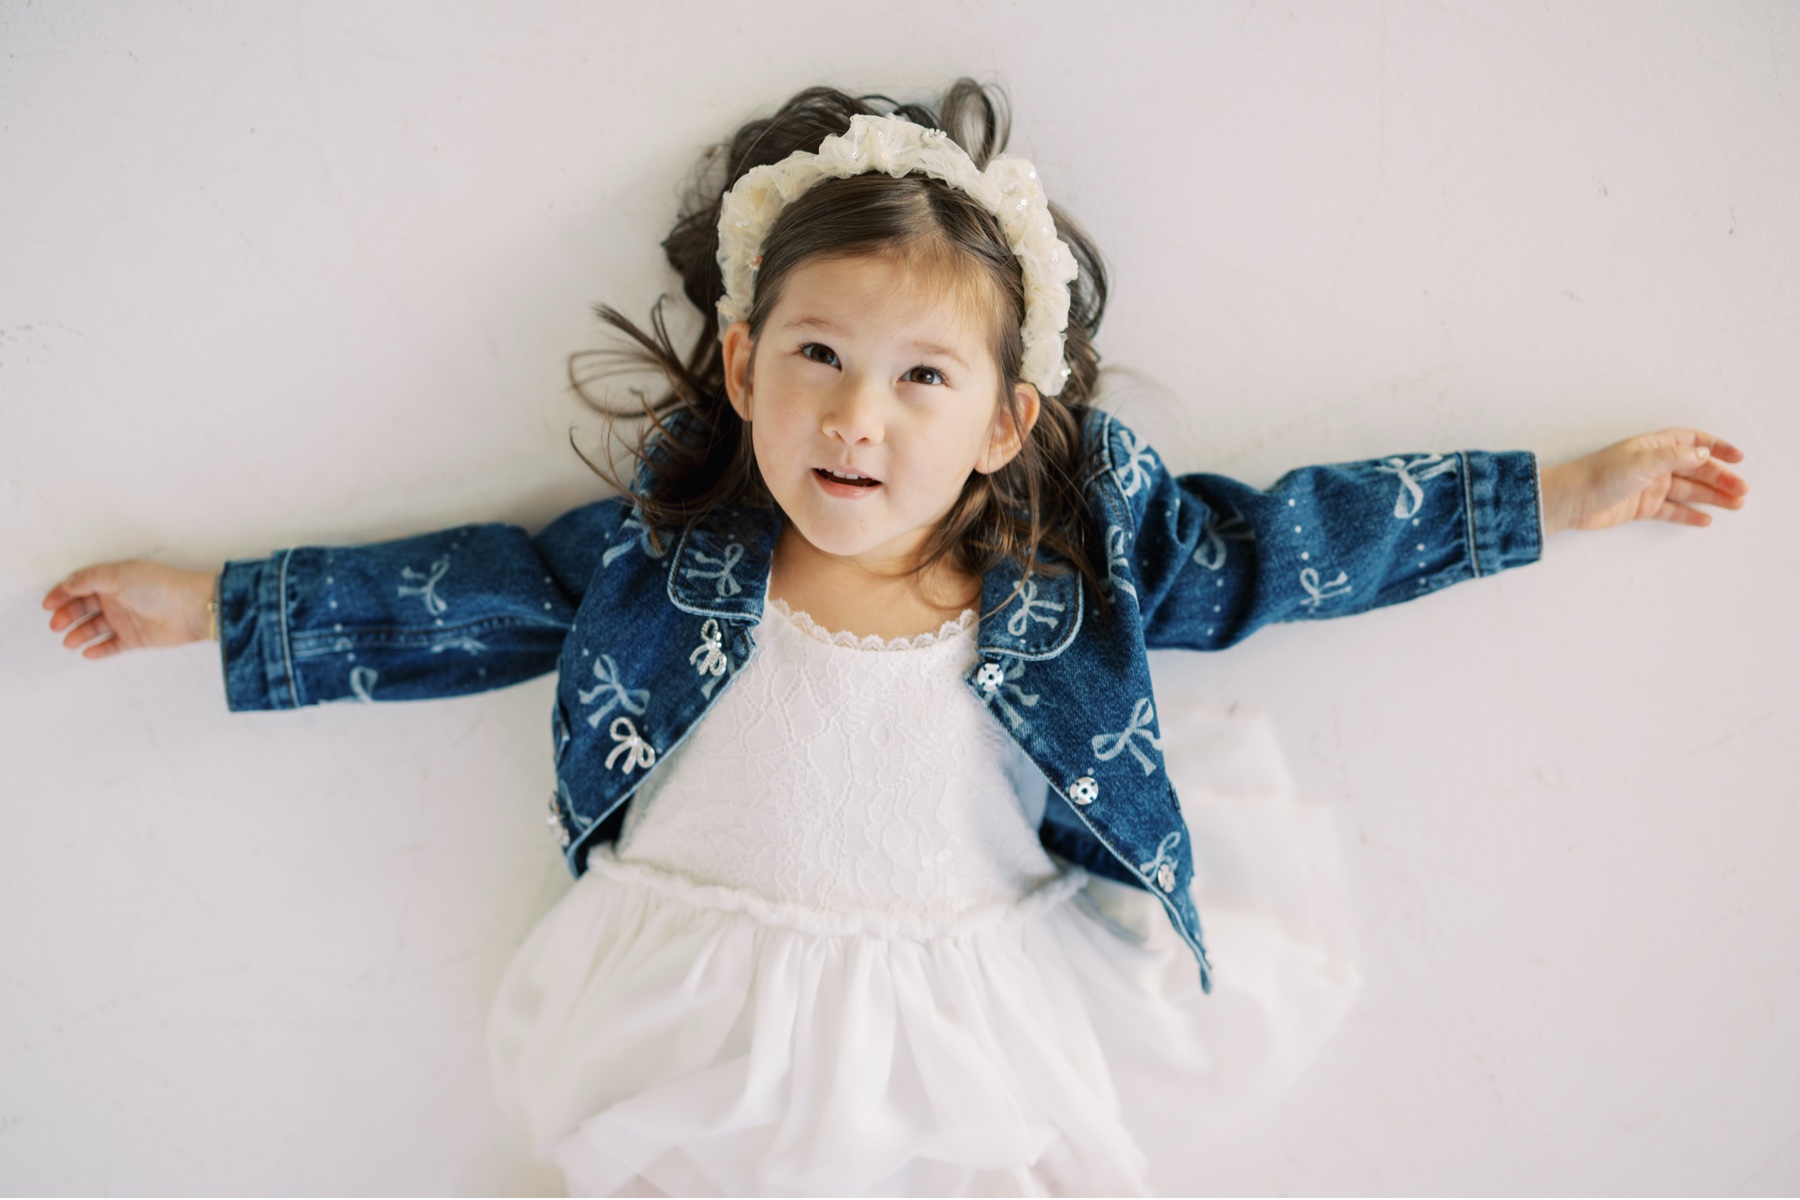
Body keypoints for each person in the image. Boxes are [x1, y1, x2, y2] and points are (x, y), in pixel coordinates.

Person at [40, 80, 1747, 1196]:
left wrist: (1559, 492)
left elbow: (1278, 549)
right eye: (819, 358)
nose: (860, 420)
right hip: (702, 1015)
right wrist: (210, 606)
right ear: (741, 369)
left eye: (922, 378)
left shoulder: (1061, 576)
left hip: (960, 1023)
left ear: (1004, 422)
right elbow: (460, 594)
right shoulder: (677, 560)